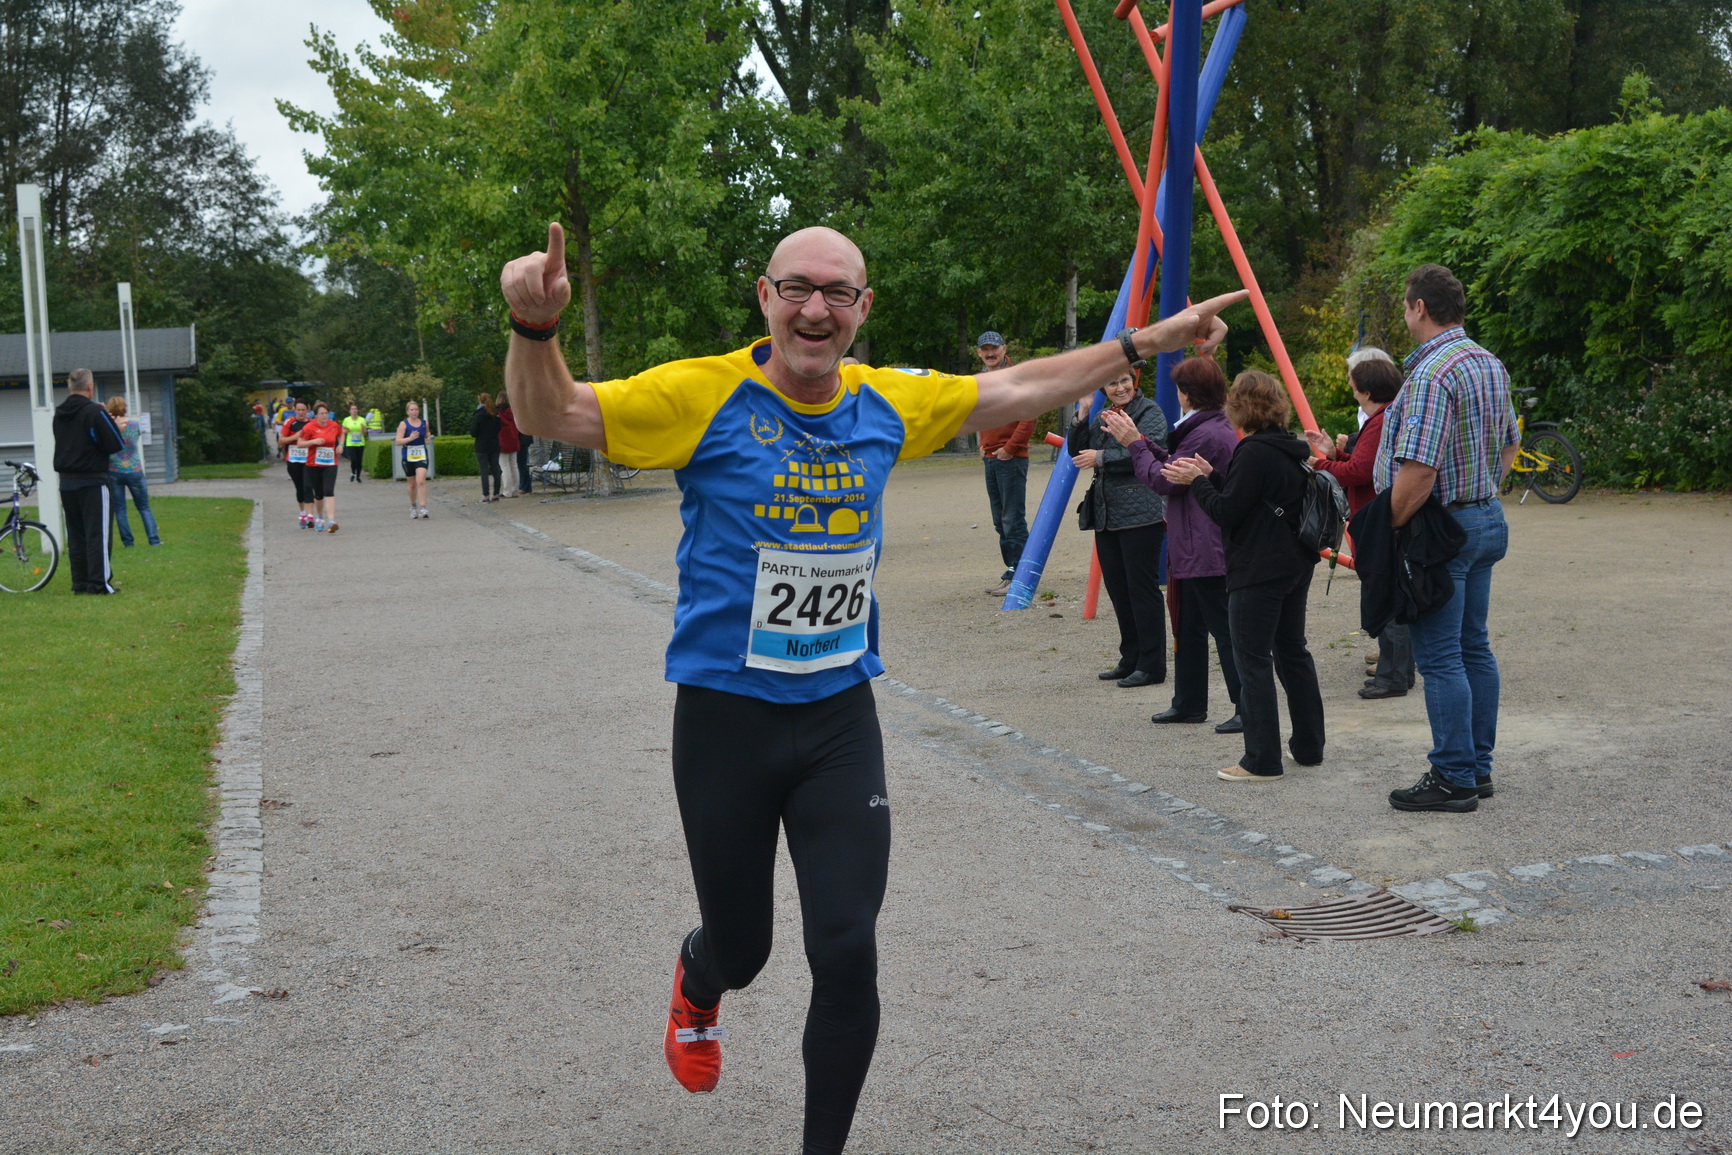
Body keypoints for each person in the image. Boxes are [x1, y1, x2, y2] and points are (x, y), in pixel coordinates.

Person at [499, 222, 1240, 1155]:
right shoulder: (700, 392)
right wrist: (535, 329)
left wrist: (1140, 345)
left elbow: (1016, 385)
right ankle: (700, 974)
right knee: (747, 947)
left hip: (841, 716)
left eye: (837, 292)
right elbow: (550, 414)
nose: (816, 308)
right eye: (797, 288)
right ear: (763, 296)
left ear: (863, 308)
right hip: (727, 719)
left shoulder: (888, 401)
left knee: (846, 950)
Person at [1375, 263, 1518, 814]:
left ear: (1419, 308)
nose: (1405, 313)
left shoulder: (1433, 373)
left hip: (1443, 529)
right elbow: (1510, 441)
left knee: (1440, 659)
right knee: (1473, 646)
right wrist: (1482, 485)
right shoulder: (1487, 362)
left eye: (1406, 305)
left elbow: (1420, 471)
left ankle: (1454, 776)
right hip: (1482, 519)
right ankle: (1476, 768)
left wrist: (1387, 527)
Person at [1162, 370, 1324, 782]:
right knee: (1293, 652)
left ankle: (1261, 759)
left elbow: (1226, 512)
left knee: (1252, 660)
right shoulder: (1289, 448)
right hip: (1293, 563)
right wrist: (1213, 476)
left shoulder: (1252, 451)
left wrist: (1198, 482)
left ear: (1240, 406)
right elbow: (1249, 497)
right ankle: (1308, 746)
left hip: (1258, 568)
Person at [1105, 356, 1242, 734]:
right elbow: (1172, 463)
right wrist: (1142, 440)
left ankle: (1244, 705)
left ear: (1185, 394)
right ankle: (1189, 702)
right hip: (1195, 545)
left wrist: (1134, 443)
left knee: (1223, 631)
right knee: (1191, 627)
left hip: (1206, 546)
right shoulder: (1209, 426)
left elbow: (1163, 480)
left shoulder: (1206, 433)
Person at [1304, 352, 1412, 699]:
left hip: (1378, 517)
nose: (1352, 392)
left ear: (1367, 390)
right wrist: (1334, 456)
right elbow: (1363, 465)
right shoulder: (1384, 417)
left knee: (1387, 594)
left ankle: (1393, 675)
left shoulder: (1379, 422)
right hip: (1382, 514)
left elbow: (1360, 473)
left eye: (1354, 387)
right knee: (1391, 592)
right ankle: (1397, 671)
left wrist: (1320, 464)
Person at [1069, 370, 1168, 687]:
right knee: (1119, 591)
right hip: (1107, 513)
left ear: (1134, 381)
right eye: (1113, 383)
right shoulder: (1103, 414)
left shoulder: (1149, 411)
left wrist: (1101, 457)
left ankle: (1152, 665)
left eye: (1125, 380)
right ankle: (1131, 658)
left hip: (1141, 512)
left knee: (1142, 590)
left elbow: (1147, 449)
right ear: (1104, 389)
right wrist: (1082, 413)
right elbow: (1078, 451)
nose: (1121, 387)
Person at [52, 368, 124, 594]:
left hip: (66, 482)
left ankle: (80, 582)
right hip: (92, 480)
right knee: (97, 534)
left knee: (76, 535)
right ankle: (99, 584)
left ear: (69, 387)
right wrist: (109, 420)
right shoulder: (94, 412)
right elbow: (115, 444)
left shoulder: (59, 413)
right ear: (90, 387)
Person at [974, 331, 1032, 597]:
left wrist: (1010, 449)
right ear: (978, 353)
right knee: (1000, 521)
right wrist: (981, 441)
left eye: (994, 348)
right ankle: (1011, 571)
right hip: (991, 457)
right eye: (985, 349)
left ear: (1004, 348)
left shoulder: (1016, 376)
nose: (990, 353)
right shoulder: (981, 380)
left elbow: (1030, 414)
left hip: (1010, 459)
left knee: (1012, 520)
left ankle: (1021, 576)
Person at [104, 396, 162, 548]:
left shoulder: (108, 427)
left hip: (114, 471)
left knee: (120, 510)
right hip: (134, 470)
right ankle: (154, 540)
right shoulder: (134, 426)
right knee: (144, 507)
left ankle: (128, 543)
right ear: (125, 408)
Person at [287, 401, 343, 532]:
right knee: (318, 494)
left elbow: (341, 434)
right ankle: (320, 518)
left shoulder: (334, 425)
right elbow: (300, 443)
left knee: (329, 490)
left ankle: (331, 521)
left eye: (326, 413)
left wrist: (341, 444)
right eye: (321, 413)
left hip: (330, 463)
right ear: (315, 415)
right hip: (314, 464)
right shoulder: (309, 427)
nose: (324, 416)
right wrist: (314, 441)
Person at [280, 400, 315, 528]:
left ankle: (310, 516)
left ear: (308, 411)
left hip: (308, 460)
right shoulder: (290, 422)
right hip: (293, 460)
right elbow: (281, 440)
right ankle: (302, 513)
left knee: (308, 486)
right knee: (300, 488)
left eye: (303, 410)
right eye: (298, 410)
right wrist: (295, 436)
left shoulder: (312, 423)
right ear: (295, 410)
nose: (301, 412)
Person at [396, 400, 433, 519]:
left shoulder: (424, 423)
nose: (414, 412)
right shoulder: (404, 424)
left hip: (422, 454)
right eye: (411, 410)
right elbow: (398, 441)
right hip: (408, 455)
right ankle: (413, 507)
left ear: (419, 411)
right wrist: (410, 438)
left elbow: (427, 434)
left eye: (416, 409)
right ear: (407, 411)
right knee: (412, 484)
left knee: (421, 480)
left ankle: (423, 508)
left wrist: (428, 438)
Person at [470, 393, 504, 502]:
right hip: (494, 445)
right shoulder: (495, 414)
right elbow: (499, 427)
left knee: (484, 472)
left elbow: (473, 432)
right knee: (496, 470)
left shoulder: (478, 415)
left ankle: (485, 495)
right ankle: (496, 494)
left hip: (482, 446)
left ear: (479, 401)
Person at [496, 395, 523, 496]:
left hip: (502, 442)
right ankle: (515, 490)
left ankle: (507, 491)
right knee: (514, 466)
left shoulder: (498, 414)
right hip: (514, 440)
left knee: (505, 467)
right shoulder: (514, 413)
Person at [342, 404, 369, 483]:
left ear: (357, 411)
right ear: (350, 411)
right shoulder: (346, 420)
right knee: (354, 459)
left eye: (355, 409)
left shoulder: (362, 420)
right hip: (351, 443)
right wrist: (346, 431)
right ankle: (353, 472)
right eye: (352, 409)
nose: (354, 410)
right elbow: (342, 430)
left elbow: (365, 433)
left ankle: (358, 476)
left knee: (359, 460)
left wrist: (364, 429)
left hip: (360, 443)